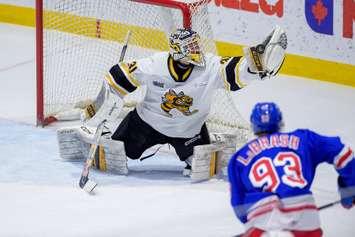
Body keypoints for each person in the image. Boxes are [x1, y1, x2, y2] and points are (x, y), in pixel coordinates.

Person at [58, 26, 287, 177]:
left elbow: (234, 71)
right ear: (179, 52)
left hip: (188, 130)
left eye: (196, 45)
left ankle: (204, 144)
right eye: (191, 48)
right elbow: (117, 74)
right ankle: (89, 137)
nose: (197, 50)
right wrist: (107, 100)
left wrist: (256, 65)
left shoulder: (209, 66)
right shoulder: (154, 65)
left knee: (202, 170)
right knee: (114, 158)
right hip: (146, 124)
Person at [228, 102, 355, 237]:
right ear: (280, 122)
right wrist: (349, 189)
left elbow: (238, 204)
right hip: (305, 213)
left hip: (264, 217)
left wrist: (251, 225)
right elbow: (342, 152)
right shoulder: (304, 139)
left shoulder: (238, 158)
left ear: (253, 125)